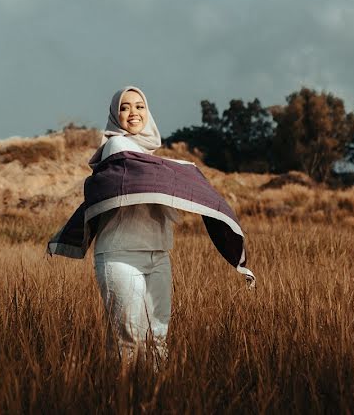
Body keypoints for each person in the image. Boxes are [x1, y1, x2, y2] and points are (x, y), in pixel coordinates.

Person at [47, 86, 254, 366]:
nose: (133, 112)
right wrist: (184, 172)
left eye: (140, 106)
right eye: (125, 107)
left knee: (158, 337)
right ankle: (123, 399)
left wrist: (185, 177)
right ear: (114, 114)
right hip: (121, 255)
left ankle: (157, 397)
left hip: (158, 254)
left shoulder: (152, 157)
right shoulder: (116, 148)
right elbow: (148, 173)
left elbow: (157, 176)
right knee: (128, 340)